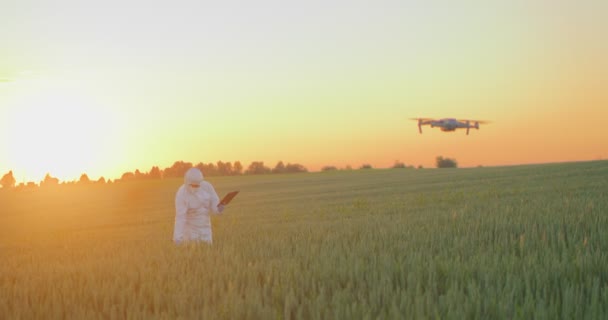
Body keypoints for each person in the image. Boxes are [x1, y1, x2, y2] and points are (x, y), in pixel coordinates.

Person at [173, 168, 225, 244]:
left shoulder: (207, 187)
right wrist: (177, 239)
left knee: (207, 252)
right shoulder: (181, 194)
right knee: (193, 253)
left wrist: (220, 208)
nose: (195, 188)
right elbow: (180, 217)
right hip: (190, 232)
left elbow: (215, 206)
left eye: (197, 185)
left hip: (206, 230)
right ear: (186, 182)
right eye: (193, 185)